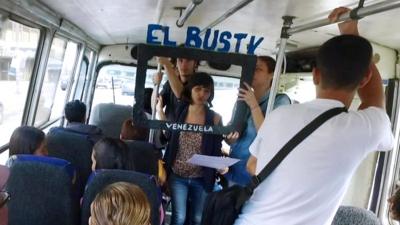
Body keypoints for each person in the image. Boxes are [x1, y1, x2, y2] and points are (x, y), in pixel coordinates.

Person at [235, 7, 394, 225]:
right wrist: (351, 32)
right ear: (364, 78)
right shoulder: (361, 129)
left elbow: (252, 165)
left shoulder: (278, 115)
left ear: (315, 75)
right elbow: (375, 100)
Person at [157, 72, 223, 225]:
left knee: (198, 218)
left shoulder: (215, 118)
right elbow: (168, 135)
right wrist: (160, 111)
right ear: (190, 90)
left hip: (201, 176)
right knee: (179, 217)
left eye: (206, 91)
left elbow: (217, 147)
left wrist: (220, 165)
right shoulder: (180, 111)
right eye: (198, 89)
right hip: (177, 175)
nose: (202, 94)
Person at [224, 55, 291, 186]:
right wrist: (230, 138)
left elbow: (269, 135)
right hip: (233, 171)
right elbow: (233, 138)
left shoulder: (280, 101)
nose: (252, 72)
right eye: (251, 69)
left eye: (258, 69)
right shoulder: (242, 101)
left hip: (254, 176)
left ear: (272, 75)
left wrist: (253, 105)